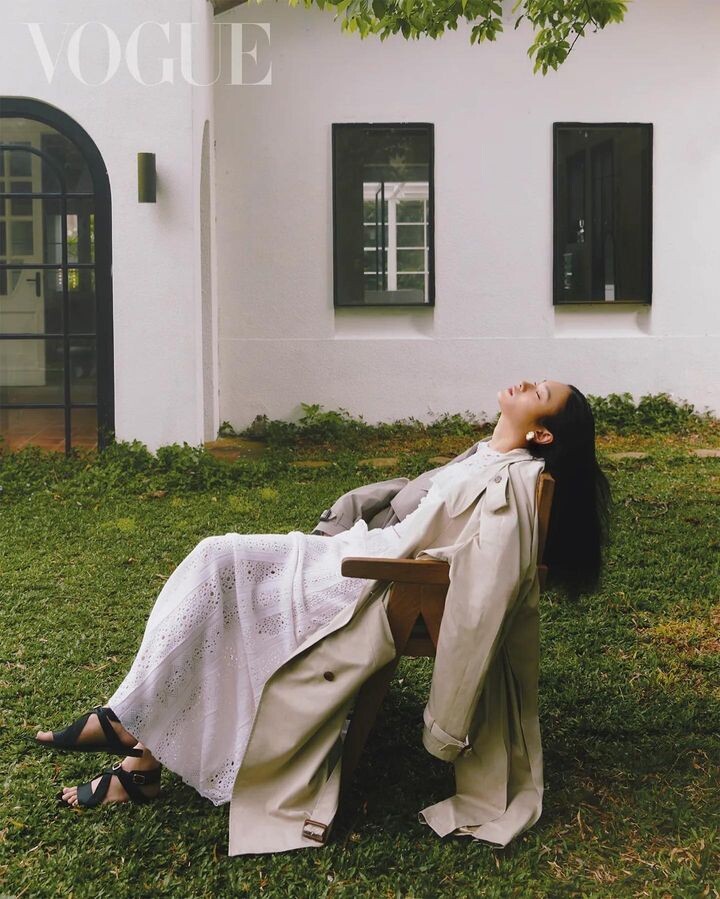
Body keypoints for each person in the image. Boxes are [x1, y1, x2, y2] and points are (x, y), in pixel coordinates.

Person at [31, 378, 611, 835]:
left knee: (222, 570)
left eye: (539, 393)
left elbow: (486, 583)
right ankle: (135, 743)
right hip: (360, 553)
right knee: (217, 561)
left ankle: (131, 738)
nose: (525, 384)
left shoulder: (512, 481)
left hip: (372, 580)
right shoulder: (485, 455)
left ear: (542, 435)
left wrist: (446, 714)